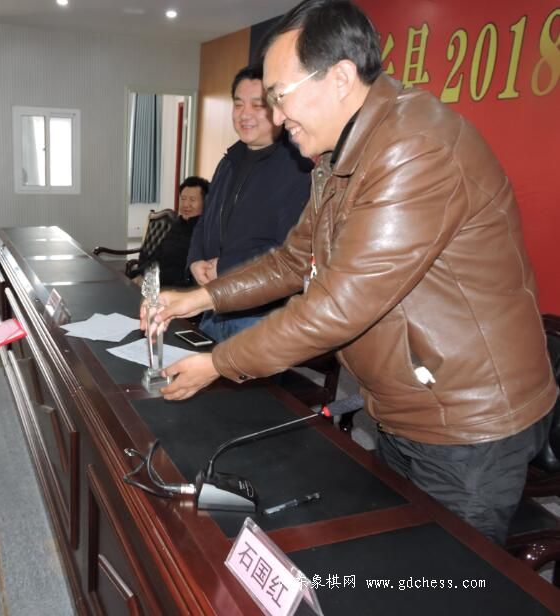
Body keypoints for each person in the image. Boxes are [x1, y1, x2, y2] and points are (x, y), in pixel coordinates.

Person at [143, 0, 556, 545]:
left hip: (467, 422)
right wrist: (197, 298)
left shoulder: (414, 149)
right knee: (393, 555)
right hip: (402, 406)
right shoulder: (341, 154)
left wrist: (218, 363)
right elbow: (294, 260)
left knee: (446, 575)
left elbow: (337, 306)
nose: (275, 116)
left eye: (279, 96)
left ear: (339, 78)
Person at [187, 64, 310, 341]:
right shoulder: (229, 161)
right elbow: (205, 222)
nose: (245, 114)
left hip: (259, 317)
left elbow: (290, 250)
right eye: (238, 104)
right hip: (215, 306)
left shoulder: (297, 167)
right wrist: (195, 260)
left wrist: (225, 265)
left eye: (257, 105)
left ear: (278, 110)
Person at [155, 175, 209, 287]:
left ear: (205, 202)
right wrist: (141, 273)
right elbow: (157, 255)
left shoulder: (205, 231)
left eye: (192, 200)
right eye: (183, 199)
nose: (186, 205)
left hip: (178, 288)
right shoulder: (177, 224)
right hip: (157, 281)